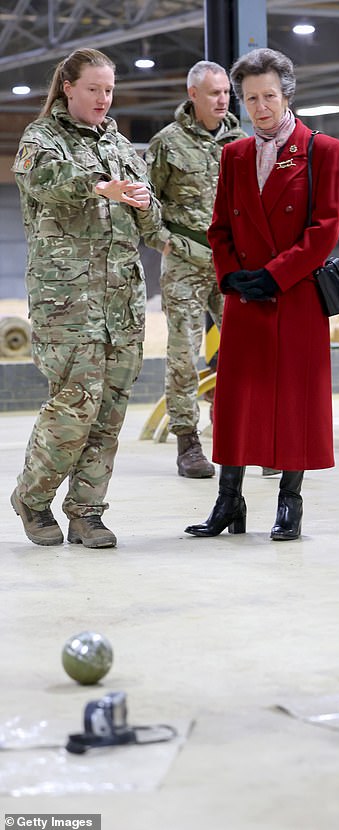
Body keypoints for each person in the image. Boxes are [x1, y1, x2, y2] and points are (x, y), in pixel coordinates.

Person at [184, 47, 339, 541]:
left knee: (294, 400)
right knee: (237, 399)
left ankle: (289, 503)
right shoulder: (233, 155)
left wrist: (274, 275)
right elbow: (219, 228)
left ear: (287, 94)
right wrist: (231, 274)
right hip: (244, 298)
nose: (260, 108)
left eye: (269, 96)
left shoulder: (323, 149)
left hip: (295, 296)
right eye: (250, 98)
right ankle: (228, 500)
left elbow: (324, 230)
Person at [10, 48, 162, 549]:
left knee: (111, 410)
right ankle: (33, 498)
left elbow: (151, 216)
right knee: (74, 407)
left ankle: (87, 512)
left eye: (110, 90)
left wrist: (143, 202)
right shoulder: (41, 140)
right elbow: (44, 182)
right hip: (68, 304)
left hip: (122, 302)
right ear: (69, 87)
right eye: (93, 89)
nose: (103, 98)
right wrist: (101, 187)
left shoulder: (119, 143)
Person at [145, 61, 246, 478]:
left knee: (242, 351)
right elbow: (143, 197)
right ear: (193, 95)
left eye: (226, 92)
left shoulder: (242, 141)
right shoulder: (167, 143)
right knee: (184, 355)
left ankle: (239, 435)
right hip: (185, 260)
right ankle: (188, 444)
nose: (222, 100)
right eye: (213, 93)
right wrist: (161, 239)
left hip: (231, 263)